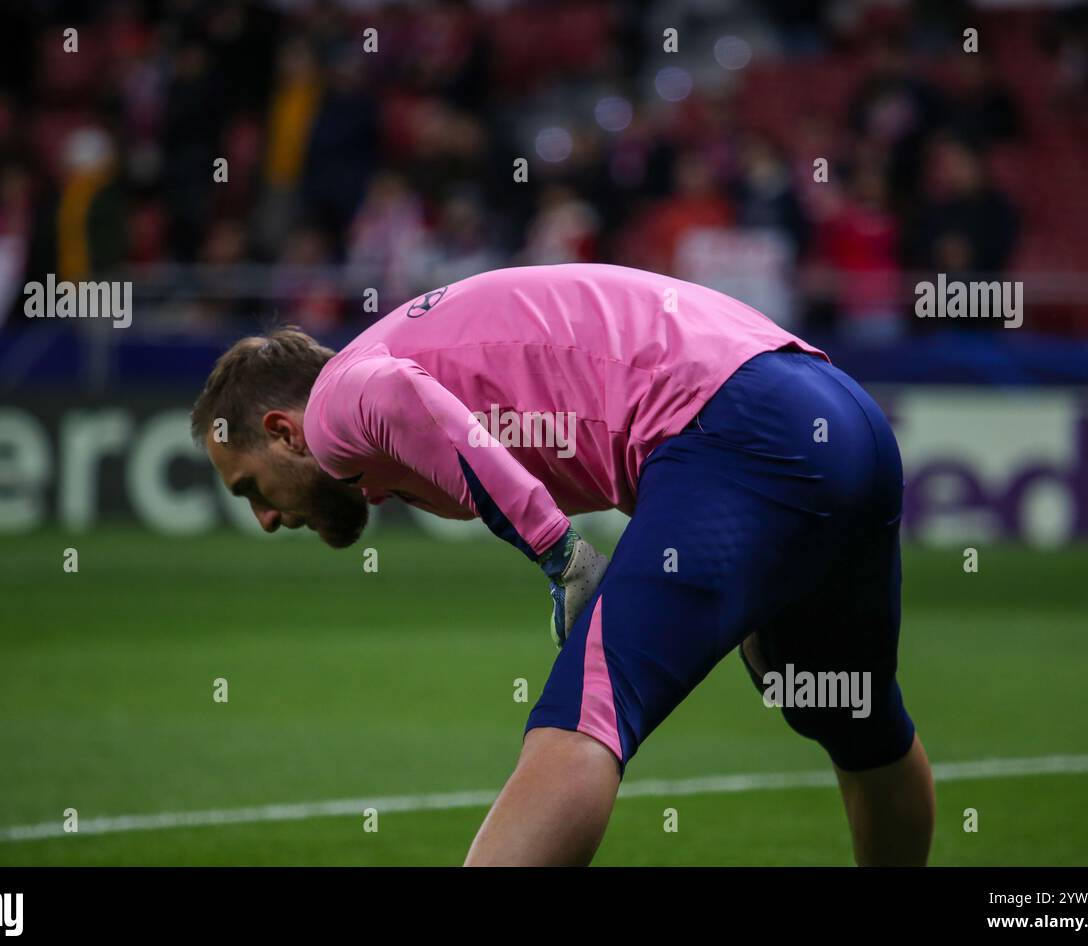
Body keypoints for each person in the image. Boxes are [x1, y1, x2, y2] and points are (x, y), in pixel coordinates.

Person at [190, 263, 935, 866]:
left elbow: (401, 396)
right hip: (844, 415)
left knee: (583, 721)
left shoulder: (334, 406)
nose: (265, 518)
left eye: (250, 486)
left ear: (284, 431)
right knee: (854, 718)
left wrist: (561, 554)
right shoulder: (394, 355)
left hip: (743, 429)